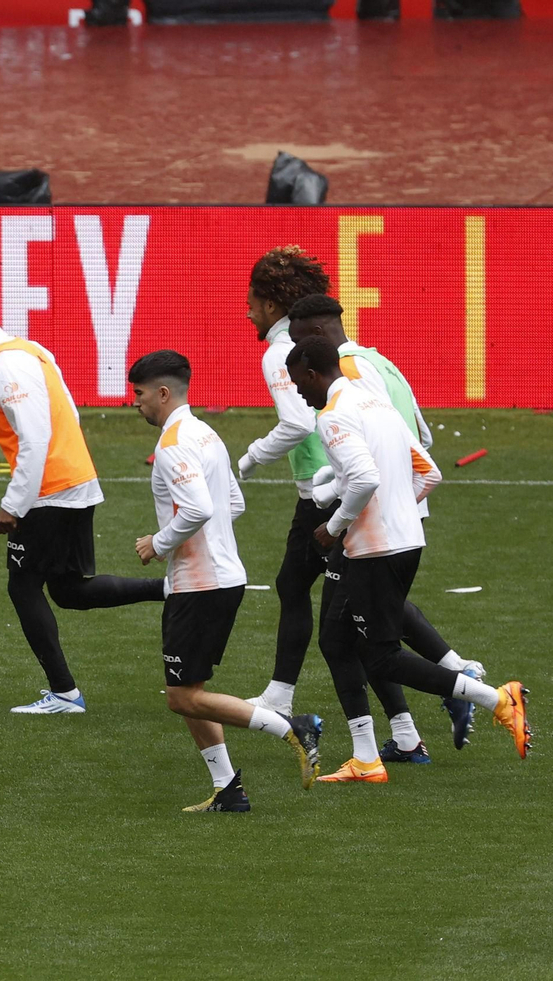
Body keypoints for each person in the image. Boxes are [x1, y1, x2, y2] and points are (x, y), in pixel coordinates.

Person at [284, 336, 529, 781]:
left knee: (381, 657)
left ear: (313, 373)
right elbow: (429, 473)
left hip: (375, 549)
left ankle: (496, 699)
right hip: (402, 540)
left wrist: (333, 526)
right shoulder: (375, 403)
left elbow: (362, 478)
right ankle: (366, 759)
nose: (299, 392)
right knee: (336, 641)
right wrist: (394, 511)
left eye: (300, 383)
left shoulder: (335, 415)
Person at [0, 298, 163, 715]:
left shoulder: (6, 367)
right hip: (71, 483)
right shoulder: (28, 351)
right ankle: (171, 589)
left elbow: (35, 438)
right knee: (69, 591)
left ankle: (64, 694)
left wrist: (14, 504)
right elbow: (68, 413)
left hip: (50, 492)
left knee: (22, 586)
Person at [129, 350, 323, 812]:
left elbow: (200, 508)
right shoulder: (206, 433)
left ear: (162, 393)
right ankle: (228, 789)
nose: (134, 404)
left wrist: (159, 542)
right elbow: (233, 502)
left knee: (181, 697)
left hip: (201, 584)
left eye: (138, 395)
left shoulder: (176, 443)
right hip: (214, 577)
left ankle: (292, 727)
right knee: (189, 691)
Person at [234, 247, 334, 716]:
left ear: (271, 305)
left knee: (355, 608)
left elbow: (298, 423)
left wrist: (248, 461)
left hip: (325, 491)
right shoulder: (329, 347)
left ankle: (458, 674)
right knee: (300, 585)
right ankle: (280, 694)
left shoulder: (280, 353)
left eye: (252, 302)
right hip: (331, 486)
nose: (248, 311)